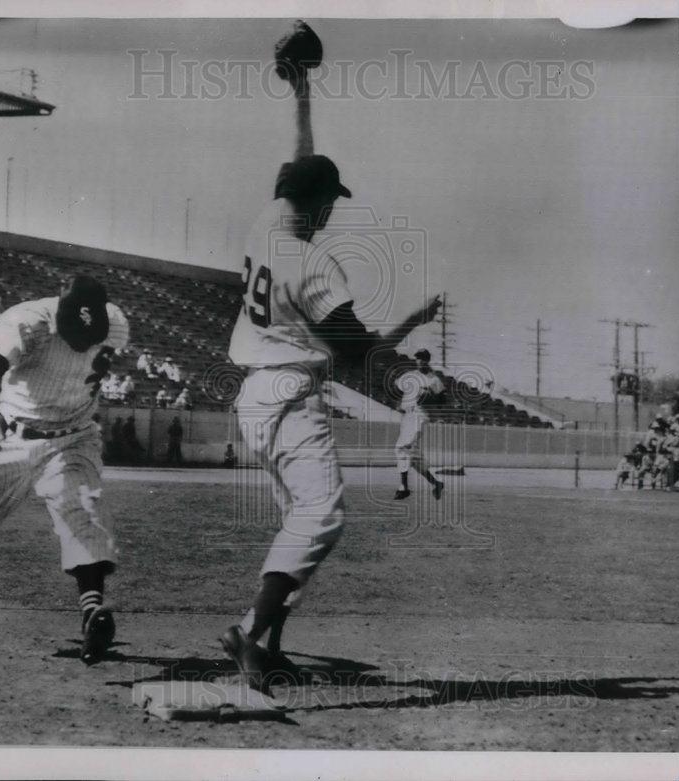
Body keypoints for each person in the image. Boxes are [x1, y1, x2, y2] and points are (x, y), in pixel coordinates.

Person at [217, 50, 442, 693]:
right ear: (317, 203)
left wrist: (302, 93)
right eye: (330, 202)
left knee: (298, 521)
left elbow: (300, 161)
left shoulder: (266, 223)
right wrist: (404, 358)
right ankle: (248, 635)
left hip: (254, 395)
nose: (331, 213)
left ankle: (270, 648)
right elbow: (354, 350)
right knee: (322, 515)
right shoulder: (313, 264)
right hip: (292, 397)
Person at [0, 275, 129, 665]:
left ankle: (92, 613)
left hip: (75, 436)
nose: (81, 343)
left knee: (83, 511)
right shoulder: (26, 321)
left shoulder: (116, 323)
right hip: (14, 435)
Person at [392, 349, 446, 500]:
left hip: (420, 414)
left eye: (423, 358)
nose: (420, 361)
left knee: (402, 447)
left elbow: (443, 400)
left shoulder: (433, 380)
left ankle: (404, 488)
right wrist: (399, 401)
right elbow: (396, 386)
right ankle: (436, 483)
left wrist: (431, 396)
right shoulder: (410, 375)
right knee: (414, 457)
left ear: (428, 360)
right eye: (418, 358)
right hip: (407, 415)